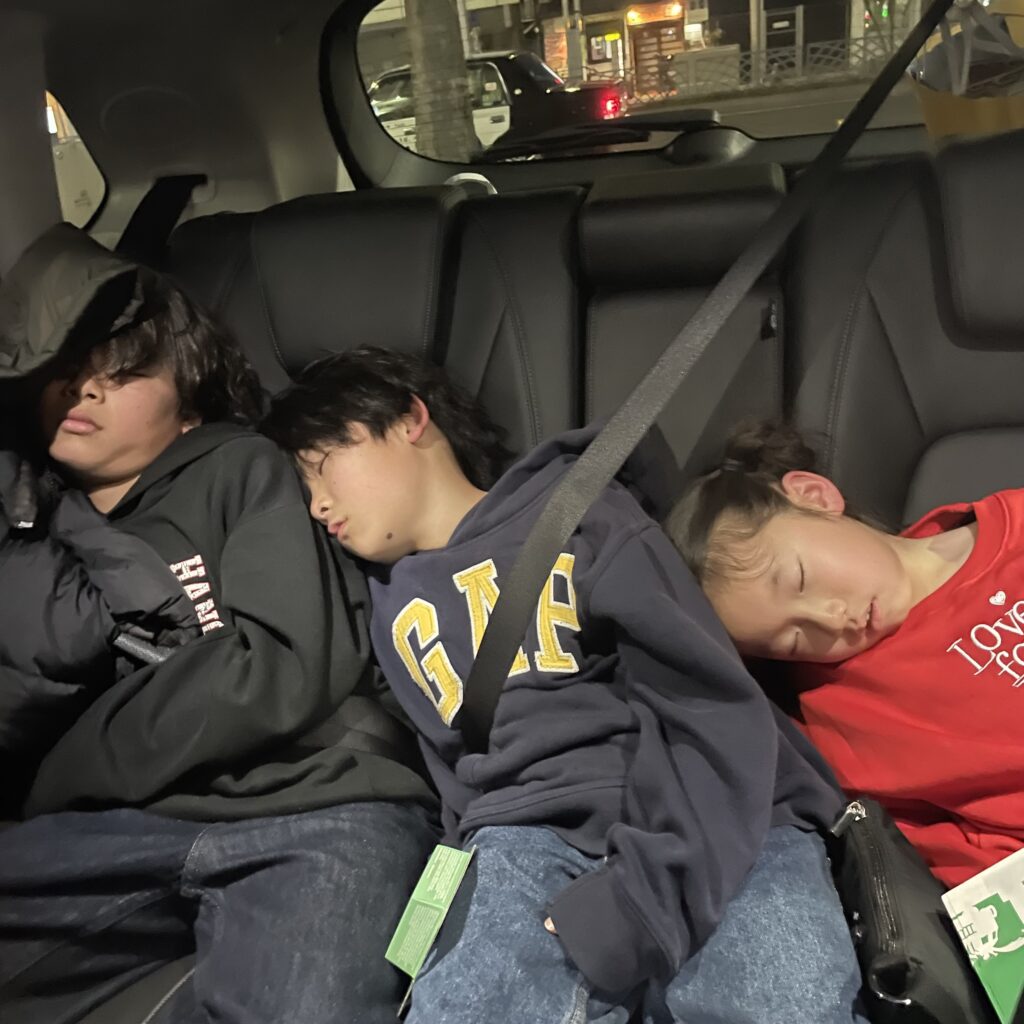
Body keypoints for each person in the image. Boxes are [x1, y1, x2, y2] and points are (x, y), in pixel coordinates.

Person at [262, 346, 868, 1024]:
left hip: (699, 816)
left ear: (409, 419)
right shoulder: (377, 599)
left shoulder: (581, 511)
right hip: (520, 843)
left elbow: (704, 701)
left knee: (781, 1003)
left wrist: (647, 890)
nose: (318, 505)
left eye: (322, 465)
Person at [0, 228, 438, 1024]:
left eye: (123, 370)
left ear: (191, 398)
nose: (84, 389)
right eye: (62, 371)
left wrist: (68, 766)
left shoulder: (240, 467)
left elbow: (282, 666)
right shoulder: (31, 523)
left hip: (312, 807)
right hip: (104, 831)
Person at [667, 419, 1024, 890]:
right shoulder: (841, 720)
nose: (831, 618)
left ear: (814, 496)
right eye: (793, 639)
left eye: (801, 579)